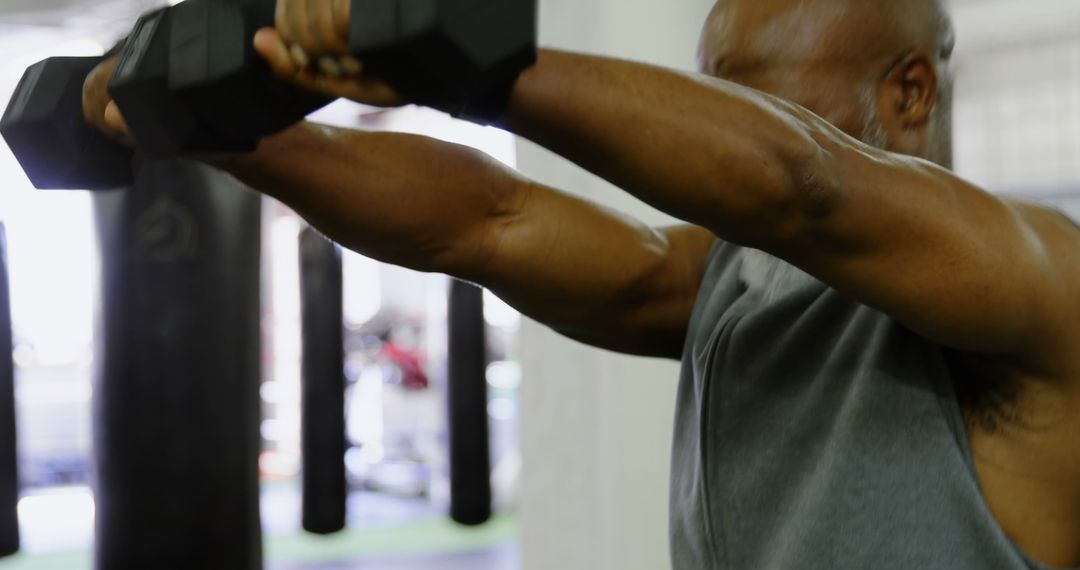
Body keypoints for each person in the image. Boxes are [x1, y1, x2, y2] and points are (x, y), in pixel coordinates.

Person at [83, 0, 1080, 567]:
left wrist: (460, 60)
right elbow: (487, 219)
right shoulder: (732, 288)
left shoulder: (1040, 283)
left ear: (907, 92)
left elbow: (802, 182)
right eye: (709, 92)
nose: (722, 123)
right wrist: (233, 138)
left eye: (755, 98)